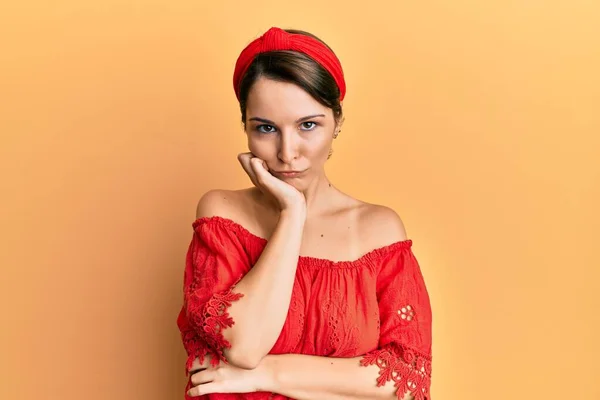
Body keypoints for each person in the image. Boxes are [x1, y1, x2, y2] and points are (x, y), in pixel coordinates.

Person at [176, 27, 433, 400]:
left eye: (308, 125)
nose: (287, 152)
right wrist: (292, 213)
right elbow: (244, 346)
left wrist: (269, 373)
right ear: (245, 127)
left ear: (338, 123)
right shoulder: (222, 215)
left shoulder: (379, 230)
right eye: (265, 128)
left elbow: (407, 378)